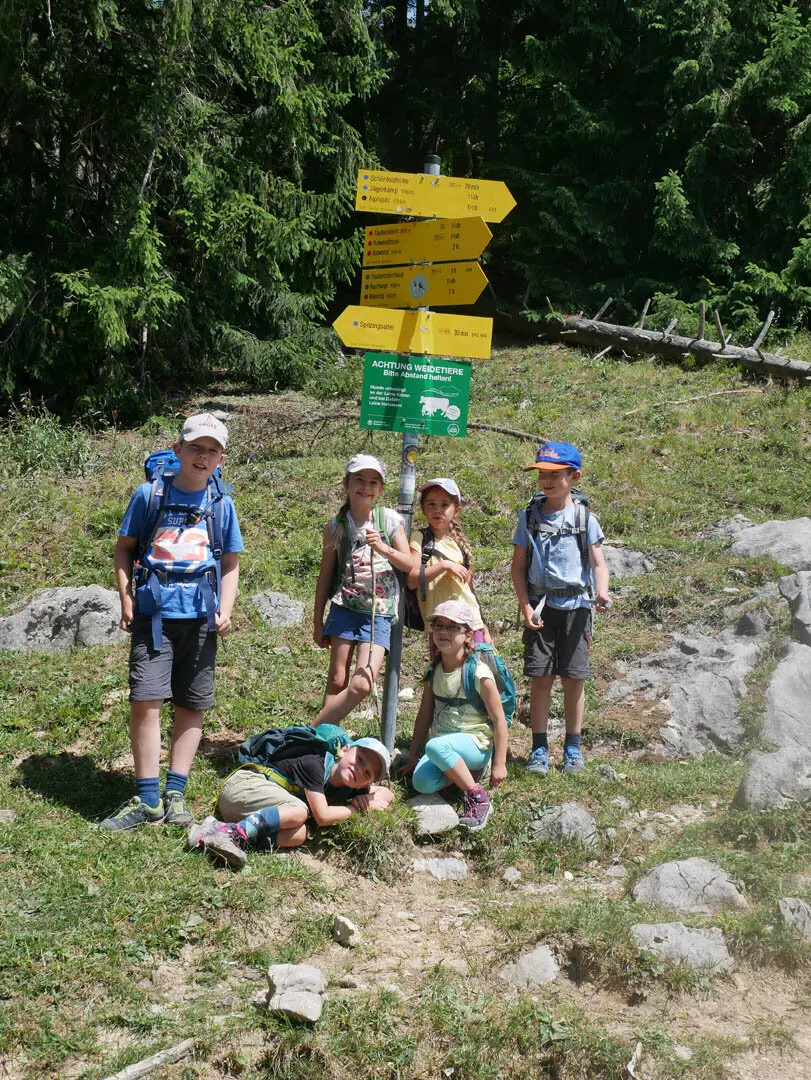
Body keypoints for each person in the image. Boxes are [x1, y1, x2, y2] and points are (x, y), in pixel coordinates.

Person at [102, 413, 242, 830]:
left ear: (221, 459)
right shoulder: (149, 495)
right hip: (154, 615)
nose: (203, 456)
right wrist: (126, 598)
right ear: (178, 449)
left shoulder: (222, 504)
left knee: (191, 704)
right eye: (196, 448)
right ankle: (148, 799)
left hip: (201, 618)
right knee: (145, 701)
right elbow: (124, 548)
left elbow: (230, 562)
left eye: (212, 451)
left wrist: (226, 609)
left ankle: (175, 792)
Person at [510, 440, 610, 775]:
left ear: (574, 476)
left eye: (555, 474)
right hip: (541, 608)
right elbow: (517, 567)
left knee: (573, 679)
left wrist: (602, 592)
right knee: (541, 678)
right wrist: (525, 606)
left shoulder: (585, 518)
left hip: (578, 608)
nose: (547, 480)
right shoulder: (528, 518)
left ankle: (573, 749)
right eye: (542, 474)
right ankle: (539, 748)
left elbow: (598, 563)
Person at [188, 727, 394, 868]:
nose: (359, 769)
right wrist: (356, 808)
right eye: (360, 759)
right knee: (299, 812)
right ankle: (231, 833)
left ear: (366, 783)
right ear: (344, 750)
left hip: (249, 806)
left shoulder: (351, 786)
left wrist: (370, 799)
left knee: (298, 835)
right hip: (244, 787)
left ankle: (221, 835)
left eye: (367, 773)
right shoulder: (316, 764)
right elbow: (322, 816)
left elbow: (388, 793)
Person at [311, 454, 412, 726]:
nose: (366, 487)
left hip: (378, 613)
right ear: (346, 484)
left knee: (363, 682)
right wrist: (317, 621)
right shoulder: (336, 526)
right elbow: (326, 574)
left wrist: (383, 548)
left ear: (381, 489)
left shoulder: (388, 520)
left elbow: (409, 564)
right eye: (359, 480)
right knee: (336, 679)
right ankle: (326, 741)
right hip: (344, 608)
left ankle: (313, 731)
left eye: (373, 482)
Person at [403, 600, 508, 831]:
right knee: (421, 782)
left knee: (435, 746)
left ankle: (478, 798)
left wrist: (499, 764)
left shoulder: (478, 673)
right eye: (439, 626)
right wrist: (412, 756)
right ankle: (464, 774)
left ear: (468, 635)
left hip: (475, 744)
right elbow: (424, 715)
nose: (443, 632)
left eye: (453, 627)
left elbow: (499, 720)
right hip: (444, 747)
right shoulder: (434, 671)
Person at [407, 477, 491, 649]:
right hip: (440, 625)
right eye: (431, 504)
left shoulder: (458, 544)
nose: (437, 510)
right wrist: (444, 566)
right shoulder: (420, 538)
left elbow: (469, 590)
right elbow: (412, 580)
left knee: (475, 664)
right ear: (423, 508)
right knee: (442, 666)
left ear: (456, 510)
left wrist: (483, 626)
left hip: (470, 622)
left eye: (444, 505)